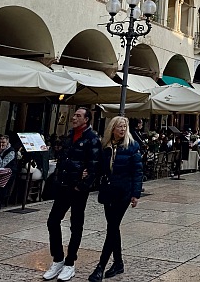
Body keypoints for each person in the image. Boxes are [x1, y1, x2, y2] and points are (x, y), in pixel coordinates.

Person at [43, 107, 101, 282]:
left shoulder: (92, 139)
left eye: (78, 115)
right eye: (74, 115)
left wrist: (82, 185)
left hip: (78, 189)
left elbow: (94, 166)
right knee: (53, 221)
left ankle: (70, 263)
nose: (74, 118)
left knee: (76, 225)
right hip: (63, 186)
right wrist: (59, 178)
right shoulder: (69, 136)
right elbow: (63, 160)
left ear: (86, 119)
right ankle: (58, 259)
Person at [88, 117, 142, 282]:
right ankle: (118, 263)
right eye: (120, 126)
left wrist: (135, 194)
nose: (123, 129)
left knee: (112, 227)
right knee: (113, 227)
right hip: (108, 191)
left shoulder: (132, 146)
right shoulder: (105, 145)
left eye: (124, 126)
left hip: (123, 192)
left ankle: (101, 266)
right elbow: (98, 166)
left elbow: (137, 171)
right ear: (112, 128)